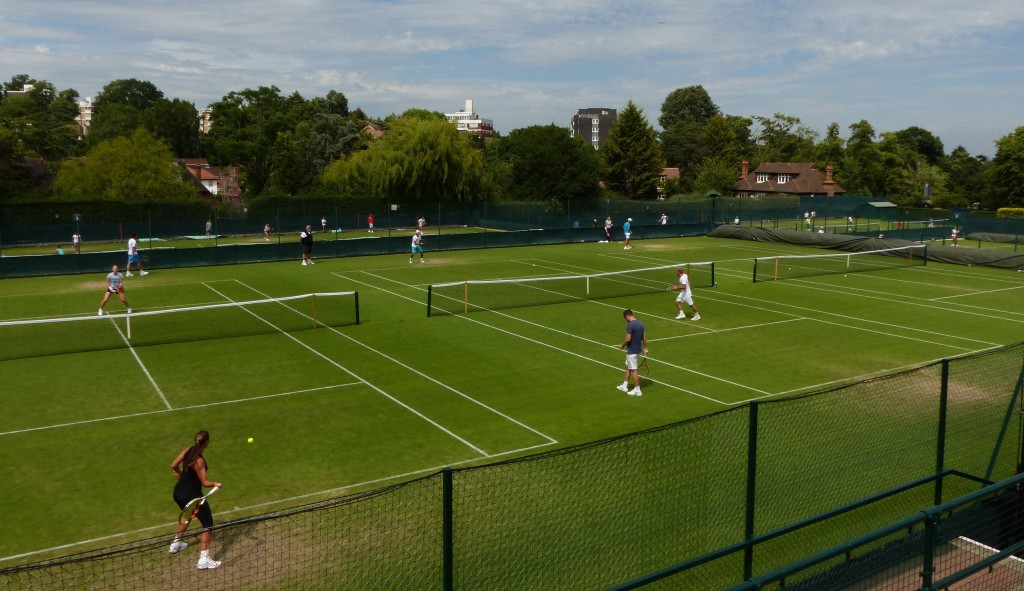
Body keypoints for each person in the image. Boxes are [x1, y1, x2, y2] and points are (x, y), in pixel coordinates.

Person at [169, 430, 224, 570]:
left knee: (188, 514)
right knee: (207, 523)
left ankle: (175, 544)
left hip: (178, 493)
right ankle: (204, 560)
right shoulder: (199, 461)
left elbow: (173, 465)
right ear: (206, 443)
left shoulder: (188, 450)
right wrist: (215, 484)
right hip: (192, 495)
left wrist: (181, 475)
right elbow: (205, 482)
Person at [617, 309, 647, 397]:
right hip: (637, 350)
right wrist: (645, 347)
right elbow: (644, 337)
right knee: (627, 366)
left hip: (632, 351)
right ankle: (625, 385)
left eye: (625, 318)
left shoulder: (630, 325)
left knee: (634, 370)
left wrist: (622, 345)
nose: (625, 320)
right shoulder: (641, 323)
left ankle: (637, 390)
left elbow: (628, 339)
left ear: (627, 316)